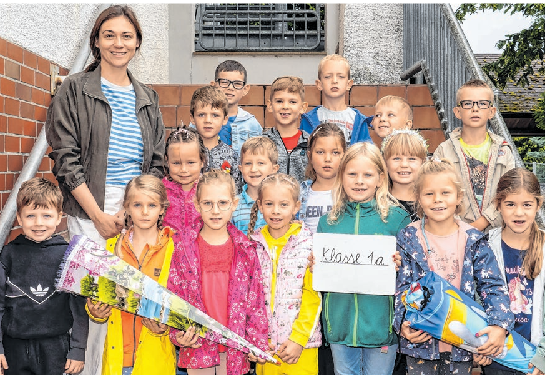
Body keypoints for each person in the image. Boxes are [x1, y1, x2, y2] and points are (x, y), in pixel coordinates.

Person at [46, 7, 165, 373]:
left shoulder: (147, 96)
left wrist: (133, 210)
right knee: (96, 302)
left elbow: (158, 161)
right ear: (96, 41)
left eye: (126, 36)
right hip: (89, 208)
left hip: (137, 209)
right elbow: (65, 157)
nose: (118, 43)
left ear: (138, 43)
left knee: (135, 299)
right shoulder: (74, 89)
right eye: (109, 35)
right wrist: (97, 215)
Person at [395, 159, 514, 375]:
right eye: (429, 194)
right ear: (419, 199)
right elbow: (402, 287)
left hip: (463, 344)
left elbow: (493, 287)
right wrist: (403, 323)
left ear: (458, 197)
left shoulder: (473, 239)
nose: (437, 199)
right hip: (421, 344)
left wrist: (498, 327)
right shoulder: (408, 238)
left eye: (445, 193)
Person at [316, 142, 411, 375]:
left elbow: (412, 272)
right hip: (339, 324)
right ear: (342, 176)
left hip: (381, 327)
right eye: (352, 174)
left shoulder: (397, 219)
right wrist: (314, 265)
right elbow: (321, 273)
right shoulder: (327, 222)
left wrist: (402, 265)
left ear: (380, 178)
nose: (359, 181)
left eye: (367, 175)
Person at [168, 170, 269, 375]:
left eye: (222, 203)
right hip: (198, 343)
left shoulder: (246, 249)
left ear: (234, 204)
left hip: (234, 346)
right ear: (197, 205)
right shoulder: (182, 247)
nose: (215, 210)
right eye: (207, 203)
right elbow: (173, 294)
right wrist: (178, 333)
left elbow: (256, 300)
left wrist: (257, 340)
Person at [86, 174, 176, 375]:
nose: (144, 212)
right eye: (137, 205)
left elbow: (181, 305)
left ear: (162, 208)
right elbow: (96, 297)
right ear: (126, 207)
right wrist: (95, 311)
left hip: (156, 362)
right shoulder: (109, 249)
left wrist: (167, 325)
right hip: (118, 361)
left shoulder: (174, 250)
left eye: (152, 205)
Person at [0, 177, 89, 375]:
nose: (38, 223)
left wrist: (77, 349)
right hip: (14, 347)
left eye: (46, 216)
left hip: (56, 347)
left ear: (59, 217)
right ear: (19, 218)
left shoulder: (69, 256)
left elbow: (78, 307)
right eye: (31, 216)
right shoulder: (8, 254)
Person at [247, 173, 322, 375]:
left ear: (296, 207)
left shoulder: (309, 244)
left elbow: (313, 297)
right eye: (269, 204)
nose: (276, 211)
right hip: (266, 347)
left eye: (283, 204)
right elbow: (248, 298)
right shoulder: (252, 246)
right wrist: (256, 340)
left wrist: (298, 339)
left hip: (301, 347)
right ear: (260, 205)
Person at [481, 168, 545, 375]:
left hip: (536, 360)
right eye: (510, 204)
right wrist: (477, 343)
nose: (519, 212)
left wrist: (542, 357)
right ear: (498, 205)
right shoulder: (484, 247)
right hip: (498, 358)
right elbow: (474, 298)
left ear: (538, 205)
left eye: (527, 204)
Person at [433, 79, 515, 232]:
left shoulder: (504, 151)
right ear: (458, 111)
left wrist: (482, 223)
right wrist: (459, 227)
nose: (475, 109)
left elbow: (508, 193)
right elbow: (438, 192)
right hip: (454, 231)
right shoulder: (443, 151)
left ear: (492, 112)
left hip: (495, 232)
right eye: (468, 104)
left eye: (482, 103)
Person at [300, 54, 373, 145]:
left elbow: (366, 153)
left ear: (348, 84)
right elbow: (302, 152)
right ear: (319, 84)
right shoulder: (308, 119)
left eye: (341, 76)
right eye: (328, 76)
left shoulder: (358, 120)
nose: (334, 81)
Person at [190, 85, 241, 189]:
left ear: (225, 119)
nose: (208, 120)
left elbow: (236, 191)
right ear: (192, 118)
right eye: (201, 115)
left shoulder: (231, 156)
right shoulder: (186, 152)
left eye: (215, 115)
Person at [299, 122, 346, 234]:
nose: (327, 159)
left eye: (335, 152)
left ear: (344, 155)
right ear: (309, 155)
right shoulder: (299, 193)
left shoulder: (351, 192)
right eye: (320, 152)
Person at [263, 76, 310, 184]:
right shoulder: (262, 143)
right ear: (270, 105)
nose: (285, 106)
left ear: (303, 107)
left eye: (292, 102)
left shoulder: (310, 143)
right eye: (279, 101)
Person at [211, 59, 263, 154]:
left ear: (245, 89)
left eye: (237, 84)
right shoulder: (201, 119)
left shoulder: (251, 124)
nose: (230, 87)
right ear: (213, 86)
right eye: (224, 82)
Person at [163, 127, 207, 235]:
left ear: (202, 161)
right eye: (176, 163)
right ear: (167, 161)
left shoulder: (208, 190)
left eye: (190, 162)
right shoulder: (160, 191)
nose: (183, 170)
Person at [232, 136, 279, 234]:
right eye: (248, 163)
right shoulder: (234, 205)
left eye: (260, 163)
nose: (253, 169)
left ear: (274, 169)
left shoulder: (280, 204)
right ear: (241, 168)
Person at [382, 129, 428, 222]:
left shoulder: (429, 203)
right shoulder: (378, 202)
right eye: (397, 158)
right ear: (385, 163)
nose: (404, 165)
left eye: (411, 159)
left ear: (423, 163)